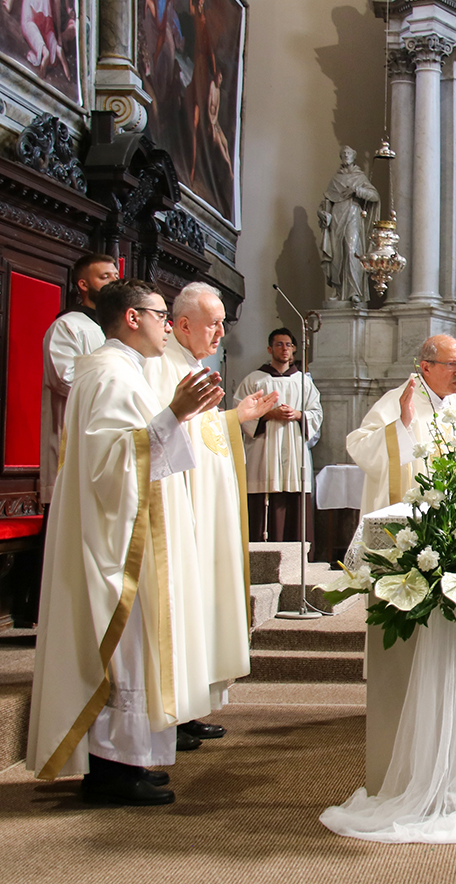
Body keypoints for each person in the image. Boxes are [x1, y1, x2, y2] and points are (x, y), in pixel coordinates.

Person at [26, 280, 224, 806]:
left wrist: (177, 415)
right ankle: (113, 770)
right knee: (126, 651)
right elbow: (110, 463)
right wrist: (174, 413)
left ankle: (133, 759)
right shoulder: (109, 374)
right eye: (161, 315)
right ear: (132, 318)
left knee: (139, 650)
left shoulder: (121, 371)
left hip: (135, 528)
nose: (167, 325)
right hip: (117, 540)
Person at [145, 283, 275, 742]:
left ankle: (192, 704)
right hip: (185, 511)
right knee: (185, 607)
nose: (221, 332)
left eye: (223, 322)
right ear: (182, 325)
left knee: (201, 607)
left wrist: (235, 417)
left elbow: (199, 431)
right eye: (213, 323)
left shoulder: (193, 365)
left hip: (205, 509)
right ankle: (177, 710)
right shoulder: (163, 369)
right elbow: (164, 434)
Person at [345, 335, 456, 513]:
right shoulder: (397, 401)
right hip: (415, 520)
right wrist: (401, 426)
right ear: (426, 367)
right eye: (451, 364)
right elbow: (359, 446)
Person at [41, 253, 119, 510]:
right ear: (83, 284)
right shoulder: (69, 326)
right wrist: (117, 389)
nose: (112, 282)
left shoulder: (117, 329)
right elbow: (64, 378)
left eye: (115, 276)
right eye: (104, 277)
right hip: (77, 434)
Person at [236, 329, 323, 543]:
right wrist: (268, 414)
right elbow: (239, 413)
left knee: (295, 500)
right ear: (269, 349)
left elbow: (316, 412)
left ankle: (299, 561)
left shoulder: (303, 382)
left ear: (294, 349)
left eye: (288, 345)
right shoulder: (255, 380)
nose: (284, 349)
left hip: (294, 451)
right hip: (264, 451)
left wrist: (298, 414)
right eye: (279, 345)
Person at [318, 146, 381, 304]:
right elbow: (327, 201)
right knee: (337, 254)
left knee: (352, 251)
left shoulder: (359, 177)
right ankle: (339, 291)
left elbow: (374, 196)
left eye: (349, 153)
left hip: (353, 215)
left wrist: (356, 190)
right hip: (336, 217)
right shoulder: (335, 179)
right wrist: (323, 214)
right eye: (343, 154)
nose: (346, 155)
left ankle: (354, 292)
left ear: (354, 156)